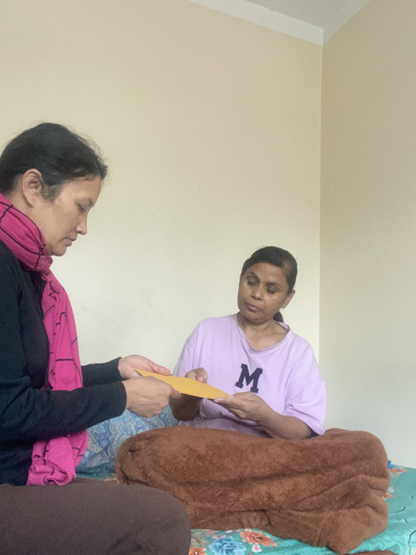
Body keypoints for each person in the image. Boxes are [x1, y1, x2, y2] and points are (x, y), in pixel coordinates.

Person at [0, 123, 190, 555]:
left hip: (16, 470)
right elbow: (10, 410)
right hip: (8, 473)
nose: (84, 227)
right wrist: (122, 396)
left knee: (138, 501)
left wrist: (116, 370)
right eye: (81, 207)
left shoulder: (28, 272)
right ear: (33, 187)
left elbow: (31, 383)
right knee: (162, 520)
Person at [170, 246, 326, 440]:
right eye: (251, 282)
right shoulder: (206, 331)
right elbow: (179, 413)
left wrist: (264, 416)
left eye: (271, 290)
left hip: (264, 451)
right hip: (202, 443)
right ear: (240, 280)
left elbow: (303, 431)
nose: (257, 294)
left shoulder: (298, 352)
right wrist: (192, 394)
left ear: (287, 298)